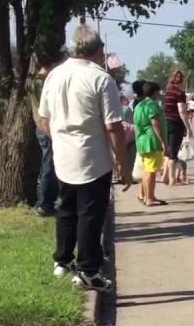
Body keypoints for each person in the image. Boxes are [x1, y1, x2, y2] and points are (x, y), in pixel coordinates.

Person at [36, 24, 130, 292]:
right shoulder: (101, 79)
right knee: (91, 213)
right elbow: (114, 126)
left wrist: (60, 140)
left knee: (66, 208)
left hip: (63, 152)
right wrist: (122, 162)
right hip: (91, 154)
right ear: (98, 50)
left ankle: (62, 260)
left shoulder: (54, 75)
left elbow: (45, 119)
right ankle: (88, 269)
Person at [132, 80, 169, 206]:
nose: (159, 94)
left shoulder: (139, 105)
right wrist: (163, 142)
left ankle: (148, 196)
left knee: (146, 169)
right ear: (154, 92)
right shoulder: (152, 105)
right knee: (151, 170)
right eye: (158, 91)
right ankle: (149, 197)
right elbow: (155, 123)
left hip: (142, 141)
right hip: (151, 141)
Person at [31, 62, 61, 216]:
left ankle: (48, 200)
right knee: (49, 165)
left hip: (42, 126)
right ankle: (45, 204)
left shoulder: (38, 79)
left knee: (49, 165)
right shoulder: (43, 80)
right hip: (46, 127)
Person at [162, 70, 192, 186]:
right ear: (182, 80)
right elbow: (182, 111)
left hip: (166, 123)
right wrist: (188, 127)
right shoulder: (180, 94)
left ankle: (164, 176)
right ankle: (172, 179)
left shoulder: (168, 92)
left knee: (167, 152)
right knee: (173, 154)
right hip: (176, 124)